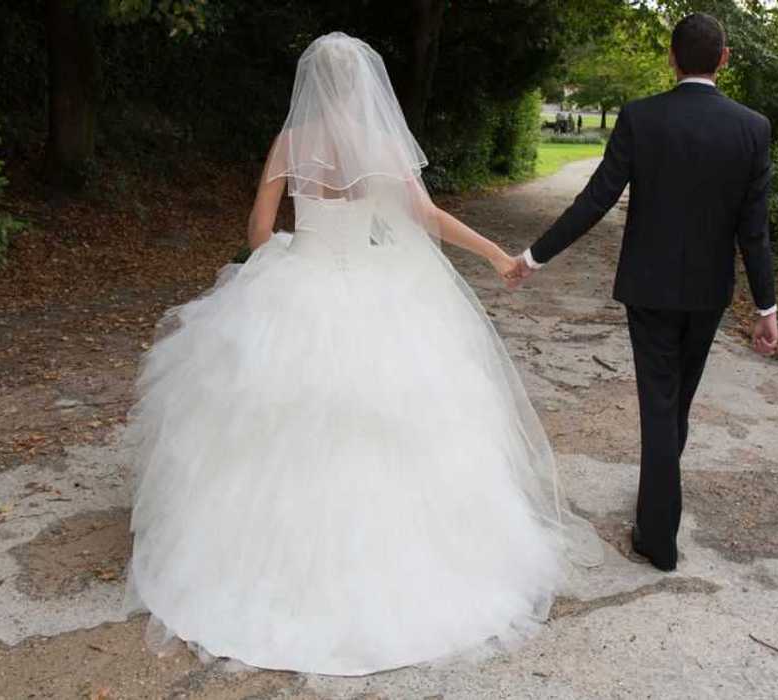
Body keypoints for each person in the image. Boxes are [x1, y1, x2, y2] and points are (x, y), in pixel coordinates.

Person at [122, 32, 602, 676]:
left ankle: (259, 566)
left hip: (301, 280)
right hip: (379, 291)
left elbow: (260, 232)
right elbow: (426, 215)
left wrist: (284, 258)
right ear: (363, 86)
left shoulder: (291, 143)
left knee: (270, 425)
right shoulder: (379, 144)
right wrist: (495, 255)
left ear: (311, 84)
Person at [506, 13, 778, 572]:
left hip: (649, 288)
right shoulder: (752, 127)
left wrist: (536, 256)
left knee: (661, 404)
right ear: (723, 59)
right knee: (675, 403)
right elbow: (754, 228)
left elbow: (595, 199)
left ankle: (656, 531)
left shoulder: (642, 117)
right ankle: (657, 517)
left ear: (672, 58)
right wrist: (766, 306)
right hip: (708, 293)